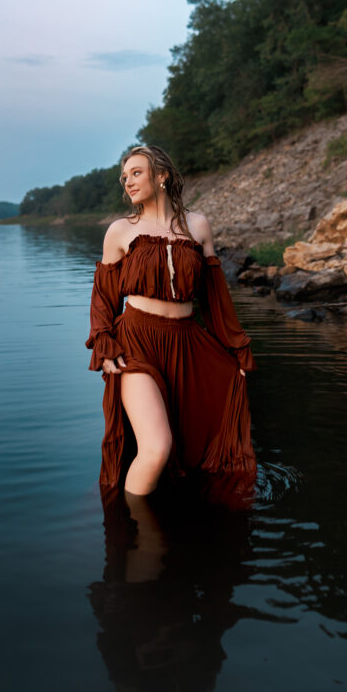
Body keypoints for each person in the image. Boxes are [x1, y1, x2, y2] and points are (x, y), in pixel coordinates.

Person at [85, 144, 256, 498]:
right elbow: (103, 296)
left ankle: (180, 523)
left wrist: (235, 349)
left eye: (136, 173)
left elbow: (215, 299)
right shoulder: (120, 230)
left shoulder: (198, 225)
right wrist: (103, 339)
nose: (127, 182)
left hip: (187, 342)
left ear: (161, 176)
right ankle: (132, 531)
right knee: (157, 447)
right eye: (124, 177)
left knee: (188, 448)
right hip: (137, 343)